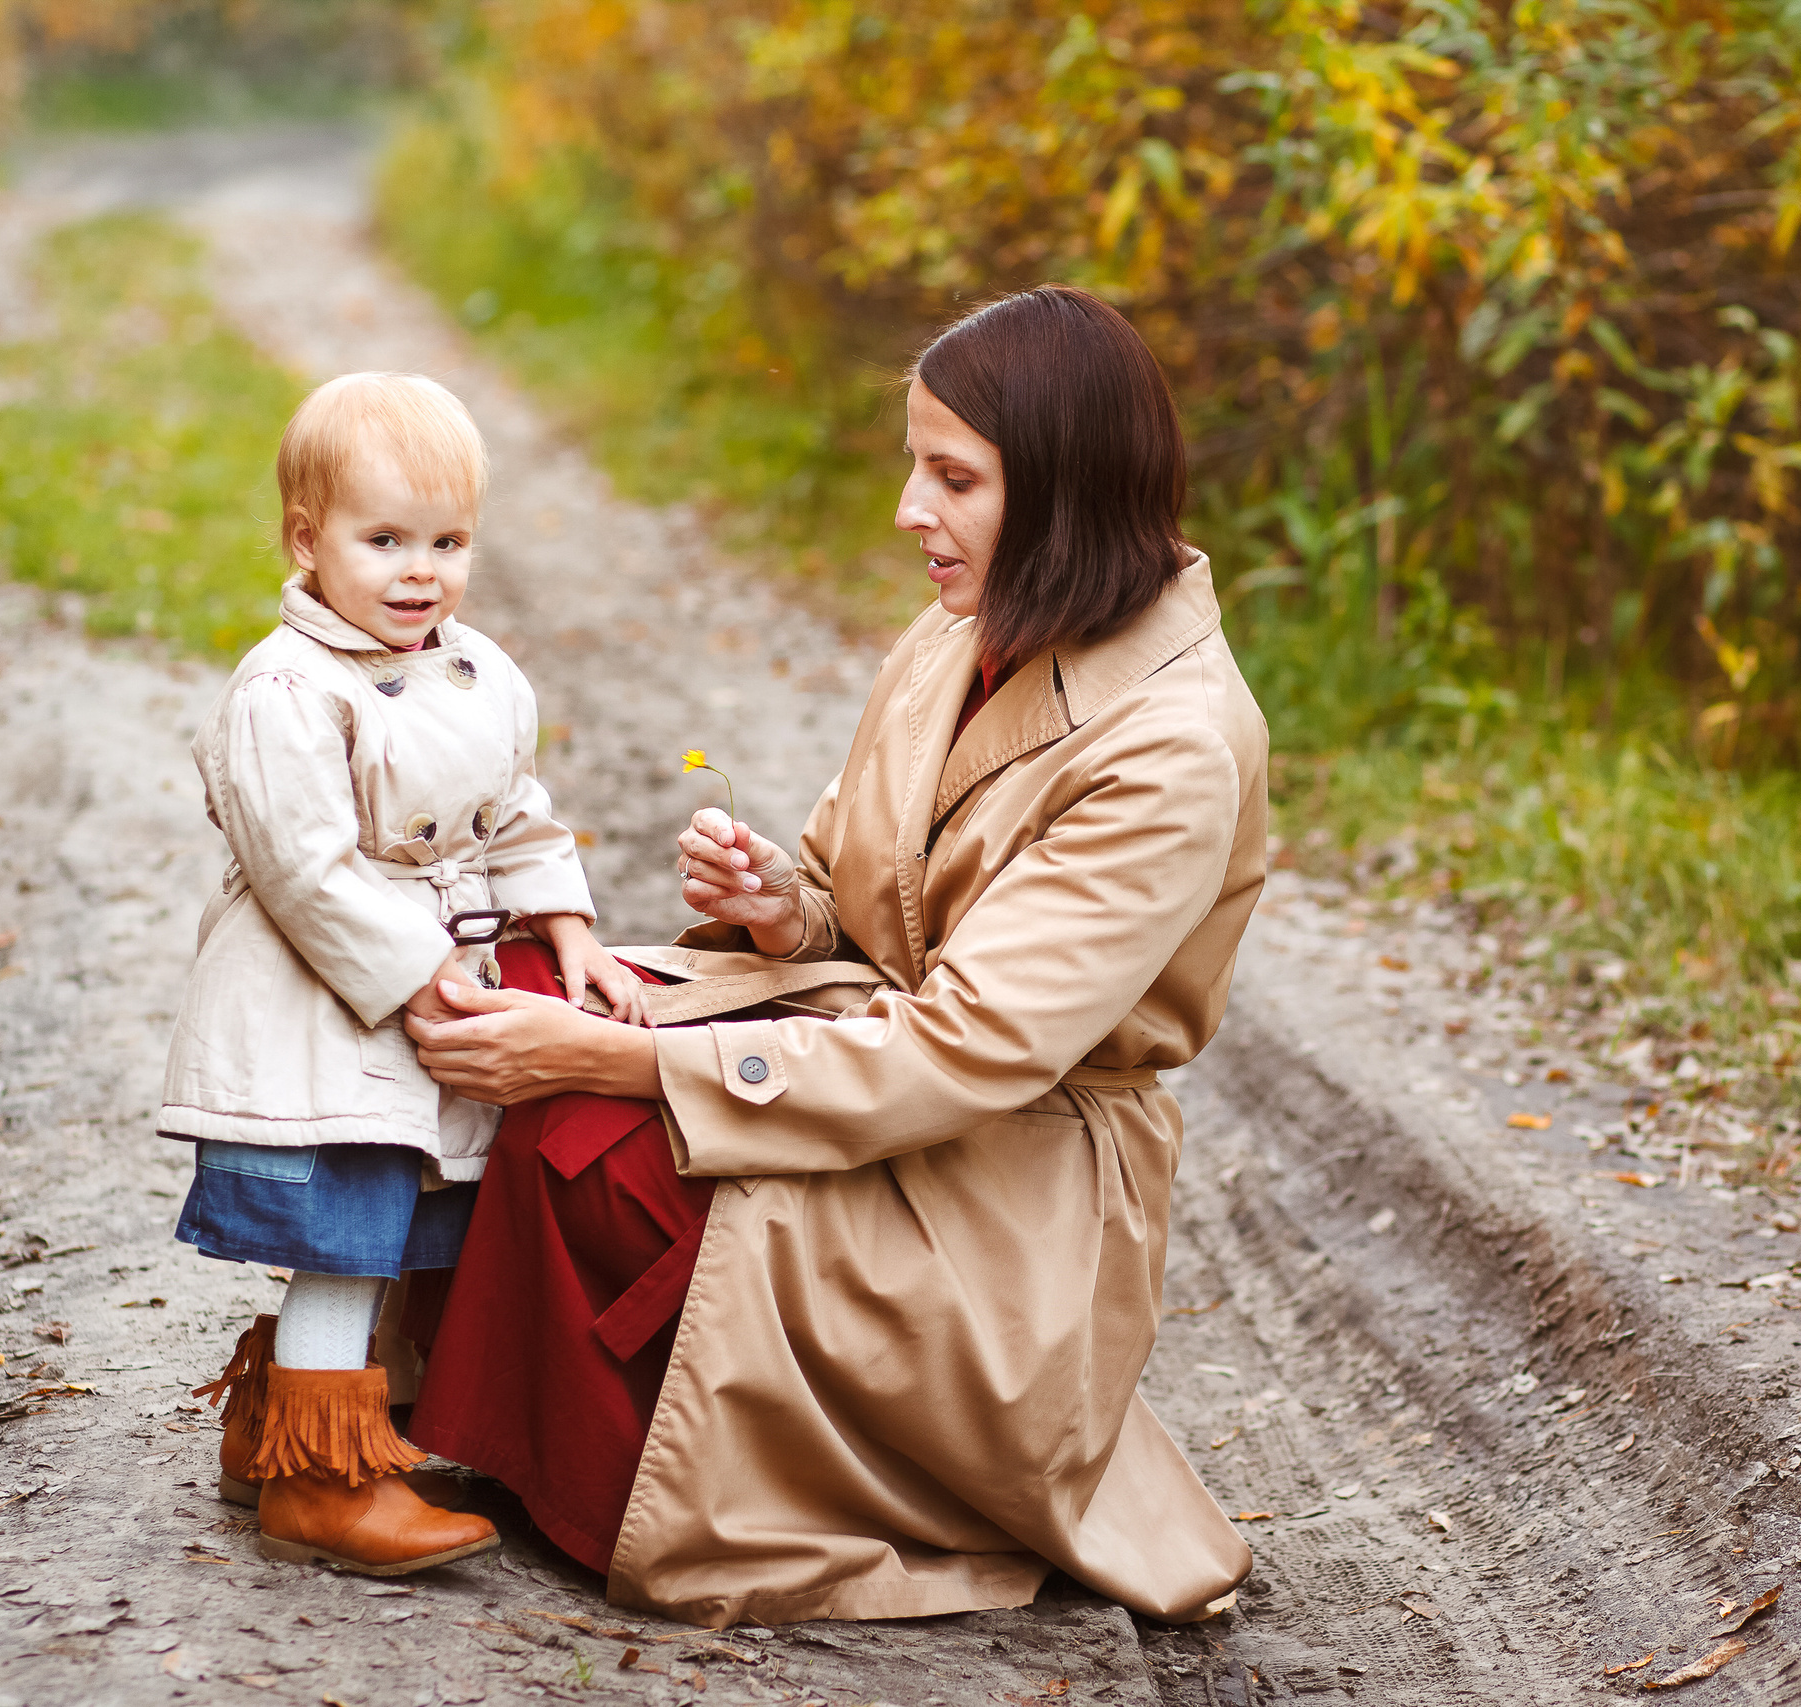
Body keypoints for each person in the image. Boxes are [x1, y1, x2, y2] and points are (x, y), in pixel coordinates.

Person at [403, 286, 1270, 1628]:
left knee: (589, 1104)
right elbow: (856, 897)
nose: (909, 509)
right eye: (915, 463)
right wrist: (778, 906)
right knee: (517, 977)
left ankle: (611, 1463)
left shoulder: (1170, 747)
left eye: (954, 476)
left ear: (1066, 487)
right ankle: (348, 1386)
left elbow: (961, 1049)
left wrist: (631, 1062)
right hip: (875, 1069)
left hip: (1005, 1177)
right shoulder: (963, 629)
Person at [158, 371, 645, 1576]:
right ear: (305, 539)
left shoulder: (475, 671)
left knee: (398, 1215)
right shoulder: (286, 689)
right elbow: (303, 872)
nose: (419, 572)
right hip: (324, 997)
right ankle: (320, 1486)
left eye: (447, 542)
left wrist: (565, 923)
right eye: (383, 542)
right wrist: (424, 971)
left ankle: (279, 1427)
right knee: (345, 1225)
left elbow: (516, 814)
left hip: (420, 989)